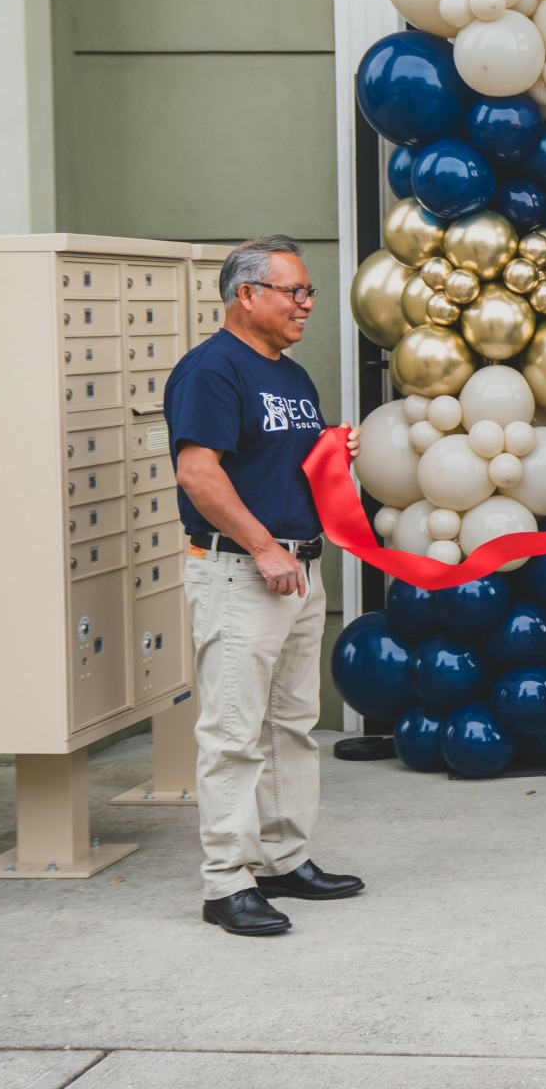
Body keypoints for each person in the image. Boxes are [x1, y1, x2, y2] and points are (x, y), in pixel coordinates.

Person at [169, 236, 364, 937]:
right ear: (246, 294)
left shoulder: (292, 375)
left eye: (309, 292)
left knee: (289, 724)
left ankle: (282, 858)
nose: (306, 304)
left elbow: (278, 461)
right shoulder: (212, 370)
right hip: (243, 570)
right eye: (294, 291)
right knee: (233, 732)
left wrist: (332, 453)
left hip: (297, 570)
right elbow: (198, 472)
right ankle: (226, 882)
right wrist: (261, 547)